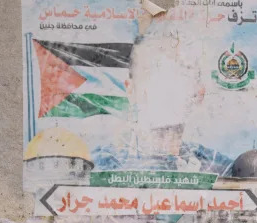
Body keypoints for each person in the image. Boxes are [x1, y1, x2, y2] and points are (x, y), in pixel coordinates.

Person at [91, 22, 233, 174]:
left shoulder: (222, 169)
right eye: (153, 70)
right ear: (131, 90)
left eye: (180, 71)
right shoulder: (100, 165)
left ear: (199, 93)